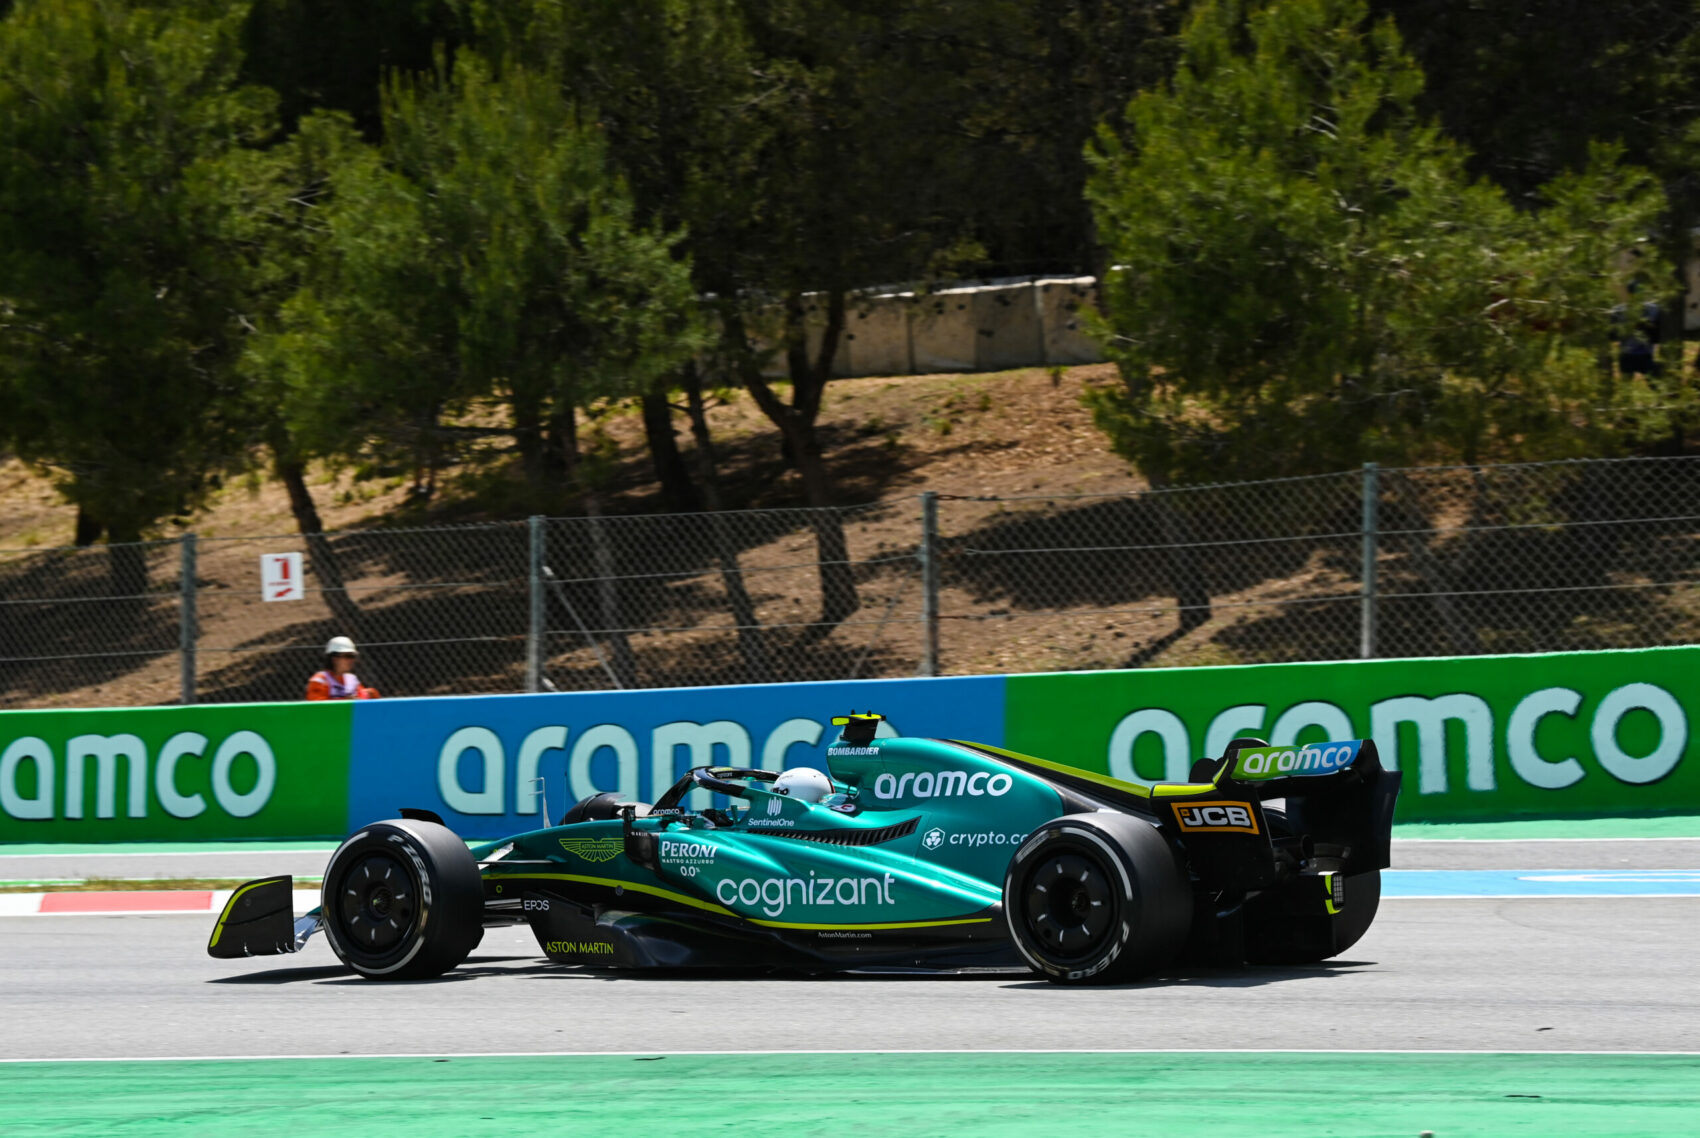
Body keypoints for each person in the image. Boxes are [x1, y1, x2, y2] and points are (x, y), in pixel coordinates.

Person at [305, 636, 380, 700]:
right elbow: (316, 708)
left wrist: (370, 693)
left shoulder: (352, 679)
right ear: (334, 658)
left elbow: (363, 697)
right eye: (348, 656)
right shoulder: (320, 680)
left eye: (353, 656)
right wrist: (345, 701)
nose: (352, 660)